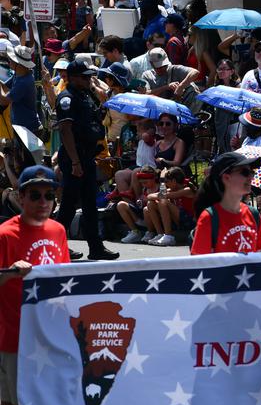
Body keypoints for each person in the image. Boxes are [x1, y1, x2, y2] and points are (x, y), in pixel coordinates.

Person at [0, 166, 116, 405]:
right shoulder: (5, 234)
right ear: (20, 197)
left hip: (53, 336)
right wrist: (10, 276)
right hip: (14, 337)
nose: (42, 201)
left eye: (49, 195)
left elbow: (64, 282)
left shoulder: (58, 230)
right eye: (34, 195)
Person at [190, 152, 261, 405]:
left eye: (250, 173)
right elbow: (196, 270)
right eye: (243, 172)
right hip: (218, 315)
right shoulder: (210, 218)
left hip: (249, 315)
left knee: (251, 384)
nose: (249, 178)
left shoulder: (254, 216)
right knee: (227, 385)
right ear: (225, 177)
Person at [55, 58, 119, 261]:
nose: (88, 80)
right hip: (75, 157)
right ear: (73, 78)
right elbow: (66, 131)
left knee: (90, 204)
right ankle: (56, 245)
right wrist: (75, 162)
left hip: (88, 156)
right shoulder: (67, 98)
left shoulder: (85, 95)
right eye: (84, 77)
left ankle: (96, 247)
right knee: (68, 205)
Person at [144, 166, 196, 246]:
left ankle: (169, 236)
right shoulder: (171, 190)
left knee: (163, 201)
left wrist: (161, 180)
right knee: (150, 204)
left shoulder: (187, 190)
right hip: (178, 220)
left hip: (189, 221)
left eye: (166, 182)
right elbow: (149, 196)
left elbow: (162, 196)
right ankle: (160, 234)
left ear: (174, 181)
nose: (166, 184)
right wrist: (160, 195)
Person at [0, 46, 40, 135]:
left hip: (27, 128)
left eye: (11, 59)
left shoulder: (24, 82)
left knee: (23, 149)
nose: (9, 60)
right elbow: (5, 86)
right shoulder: (19, 75)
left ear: (18, 63)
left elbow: (4, 101)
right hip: (20, 126)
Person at [117, 166, 159, 244]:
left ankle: (151, 232)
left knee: (147, 208)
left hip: (154, 214)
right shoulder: (145, 189)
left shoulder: (160, 187)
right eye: (142, 183)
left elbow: (163, 198)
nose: (144, 185)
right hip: (142, 213)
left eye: (145, 182)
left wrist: (149, 198)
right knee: (121, 205)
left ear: (153, 178)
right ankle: (135, 232)